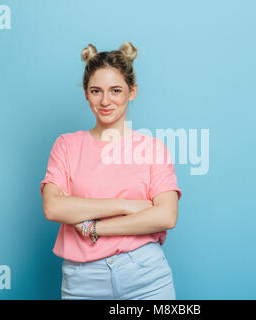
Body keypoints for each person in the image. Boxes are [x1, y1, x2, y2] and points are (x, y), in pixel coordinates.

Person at [40, 42, 182, 300]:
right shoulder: (67, 145)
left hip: (146, 277)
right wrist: (126, 205)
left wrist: (93, 228)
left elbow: (165, 216)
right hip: (82, 281)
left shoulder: (152, 148)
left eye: (115, 90)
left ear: (132, 92)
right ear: (86, 93)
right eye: (96, 91)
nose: (105, 101)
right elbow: (53, 208)